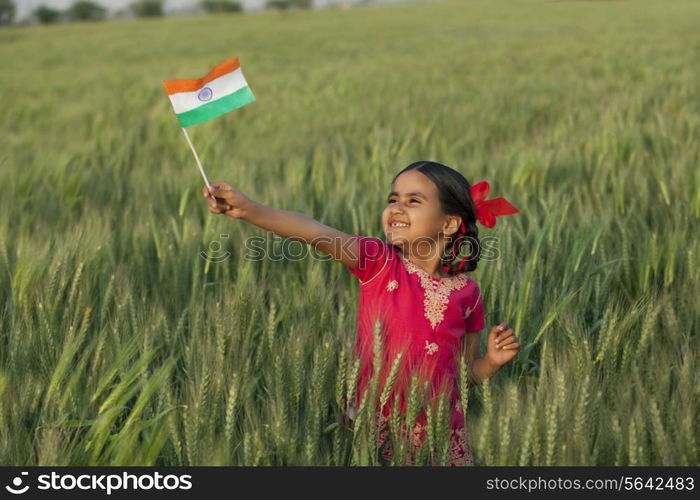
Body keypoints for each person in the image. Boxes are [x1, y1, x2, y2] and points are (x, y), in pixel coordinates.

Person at [202, 160, 520, 466]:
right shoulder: (379, 263)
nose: (396, 207)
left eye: (413, 201)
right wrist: (250, 209)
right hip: (377, 431)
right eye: (393, 198)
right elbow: (315, 232)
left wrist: (491, 362)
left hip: (441, 437)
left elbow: (463, 376)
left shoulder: (468, 293)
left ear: (448, 223)